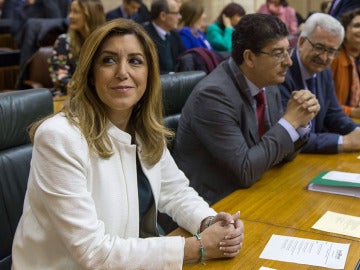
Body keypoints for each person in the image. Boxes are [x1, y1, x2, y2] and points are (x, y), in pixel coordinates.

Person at [11, 18, 244, 269]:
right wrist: (197, 247)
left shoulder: (144, 130)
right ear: (90, 74)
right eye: (109, 60)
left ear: (149, 74)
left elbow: (176, 192)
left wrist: (210, 223)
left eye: (135, 61)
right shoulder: (59, 137)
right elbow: (93, 253)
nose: (123, 72)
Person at [172, 13, 320, 205]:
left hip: (251, 191)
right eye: (278, 53)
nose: (288, 62)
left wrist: (300, 123)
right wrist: (289, 122)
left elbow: (282, 154)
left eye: (288, 51)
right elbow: (245, 171)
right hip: (210, 205)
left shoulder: (267, 82)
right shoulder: (213, 96)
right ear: (249, 58)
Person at [279, 13, 360, 154]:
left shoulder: (324, 70)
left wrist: (357, 131)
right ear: (302, 42)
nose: (323, 57)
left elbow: (333, 114)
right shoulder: (282, 72)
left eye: (331, 51)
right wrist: (343, 142)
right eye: (319, 47)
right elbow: (289, 136)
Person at [49, 0, 105, 96]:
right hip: (69, 97)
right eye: (70, 11)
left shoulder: (106, 42)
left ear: (90, 15)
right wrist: (89, 89)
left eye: (76, 12)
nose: (70, 16)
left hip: (101, 96)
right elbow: (60, 77)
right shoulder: (64, 40)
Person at [330, 8, 360, 118]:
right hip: (335, 123)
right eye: (357, 26)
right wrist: (351, 111)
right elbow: (324, 103)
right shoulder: (333, 58)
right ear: (344, 31)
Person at [142, 0, 186, 74]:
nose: (180, 17)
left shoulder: (174, 34)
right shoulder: (144, 36)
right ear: (163, 16)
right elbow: (145, 69)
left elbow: (183, 58)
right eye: (176, 13)